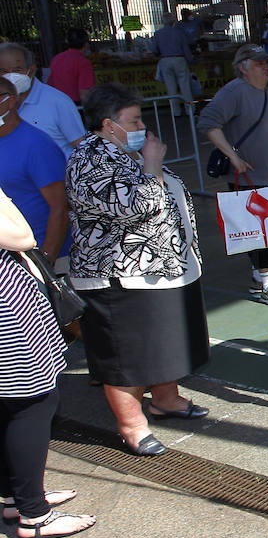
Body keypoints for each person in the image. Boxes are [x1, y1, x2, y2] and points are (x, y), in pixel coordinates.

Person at [67, 83, 212, 457]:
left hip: (162, 270)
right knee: (128, 355)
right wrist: (152, 164)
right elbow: (134, 207)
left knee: (165, 344)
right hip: (120, 277)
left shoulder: (123, 153)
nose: (142, 127)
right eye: (133, 120)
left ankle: (167, 398)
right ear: (107, 124)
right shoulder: (89, 160)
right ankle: (132, 425)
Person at [0, 186, 96, 538]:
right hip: (8, 315)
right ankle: (34, 516)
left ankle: (18, 496)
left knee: (9, 406)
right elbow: (22, 236)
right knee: (32, 404)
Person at [198, 45, 268, 306]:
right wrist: (233, 156)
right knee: (261, 230)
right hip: (250, 175)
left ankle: (261, 276)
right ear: (243, 67)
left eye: (267, 63)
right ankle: (267, 282)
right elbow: (208, 122)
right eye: (258, 63)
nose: (266, 67)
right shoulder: (234, 92)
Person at [0, 77, 69, 263]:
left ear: (10, 101)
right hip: (12, 260)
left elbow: (61, 208)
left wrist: (46, 262)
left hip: (43, 257)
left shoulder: (37, 145)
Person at [0, 42, 84, 157]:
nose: (10, 76)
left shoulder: (58, 102)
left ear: (32, 70)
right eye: (3, 71)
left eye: (17, 70)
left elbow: (81, 146)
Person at [151, 14, 195, 118]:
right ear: (173, 21)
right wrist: (190, 61)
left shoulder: (158, 34)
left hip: (165, 60)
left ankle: (176, 112)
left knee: (171, 88)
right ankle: (190, 110)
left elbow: (154, 50)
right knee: (185, 86)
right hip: (179, 59)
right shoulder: (179, 33)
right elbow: (186, 49)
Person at [47, 29, 96, 105]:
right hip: (75, 106)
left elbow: (50, 84)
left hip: (57, 104)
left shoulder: (57, 58)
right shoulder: (83, 62)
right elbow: (84, 93)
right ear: (86, 44)